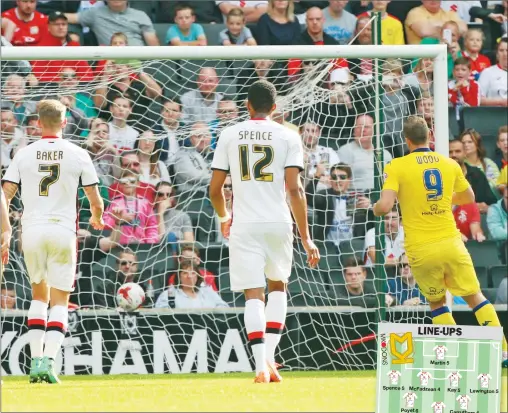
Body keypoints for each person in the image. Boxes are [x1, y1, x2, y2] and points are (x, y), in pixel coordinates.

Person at [373, 115, 508, 368]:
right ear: (430, 137)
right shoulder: (450, 164)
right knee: (475, 297)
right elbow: (468, 196)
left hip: (421, 248)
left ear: (407, 140)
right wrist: (444, 200)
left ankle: (455, 357)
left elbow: (385, 206)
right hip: (451, 242)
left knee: (436, 303)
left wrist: (374, 208)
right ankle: (502, 350)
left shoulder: (397, 166)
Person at [209, 80, 320, 383]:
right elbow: (295, 190)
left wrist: (223, 216)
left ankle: (260, 365)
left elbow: (215, 189)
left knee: (253, 296)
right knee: (278, 288)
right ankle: (270, 358)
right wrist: (306, 236)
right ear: (275, 107)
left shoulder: (229, 134)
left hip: (244, 223)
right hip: (278, 222)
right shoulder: (289, 136)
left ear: (247, 105)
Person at [1, 99, 105, 384]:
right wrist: (97, 217)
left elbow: (4, 193)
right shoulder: (78, 153)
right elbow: (96, 201)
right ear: (65, 122)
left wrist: (6, 229)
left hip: (31, 230)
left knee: (39, 296)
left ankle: (35, 363)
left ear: (37, 122)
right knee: (60, 300)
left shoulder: (24, 154)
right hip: (62, 231)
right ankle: (48, 362)